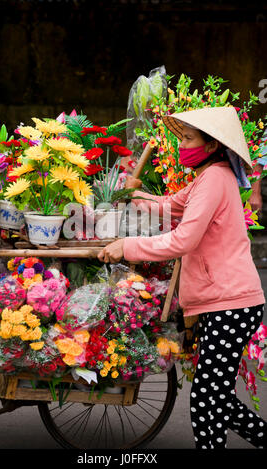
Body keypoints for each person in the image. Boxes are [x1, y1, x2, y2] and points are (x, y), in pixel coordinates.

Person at [98, 106, 267, 449]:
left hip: (231, 304)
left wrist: (126, 246)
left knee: (206, 402)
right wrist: (135, 194)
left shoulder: (215, 179)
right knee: (217, 400)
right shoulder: (208, 178)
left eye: (189, 138)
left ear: (210, 145)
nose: (182, 145)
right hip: (225, 303)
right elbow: (170, 205)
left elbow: (182, 240)